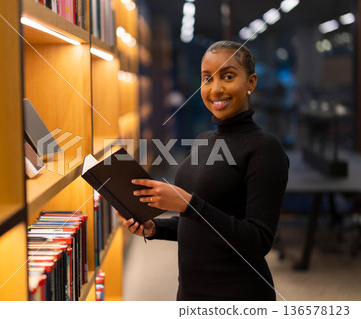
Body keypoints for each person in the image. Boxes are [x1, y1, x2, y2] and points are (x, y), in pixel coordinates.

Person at [121, 41, 289, 301]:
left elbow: (258, 240)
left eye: (228, 76)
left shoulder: (265, 148)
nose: (216, 88)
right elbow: (199, 224)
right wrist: (156, 228)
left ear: (251, 82)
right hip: (190, 293)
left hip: (237, 295)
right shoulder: (202, 140)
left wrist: (188, 204)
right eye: (207, 78)